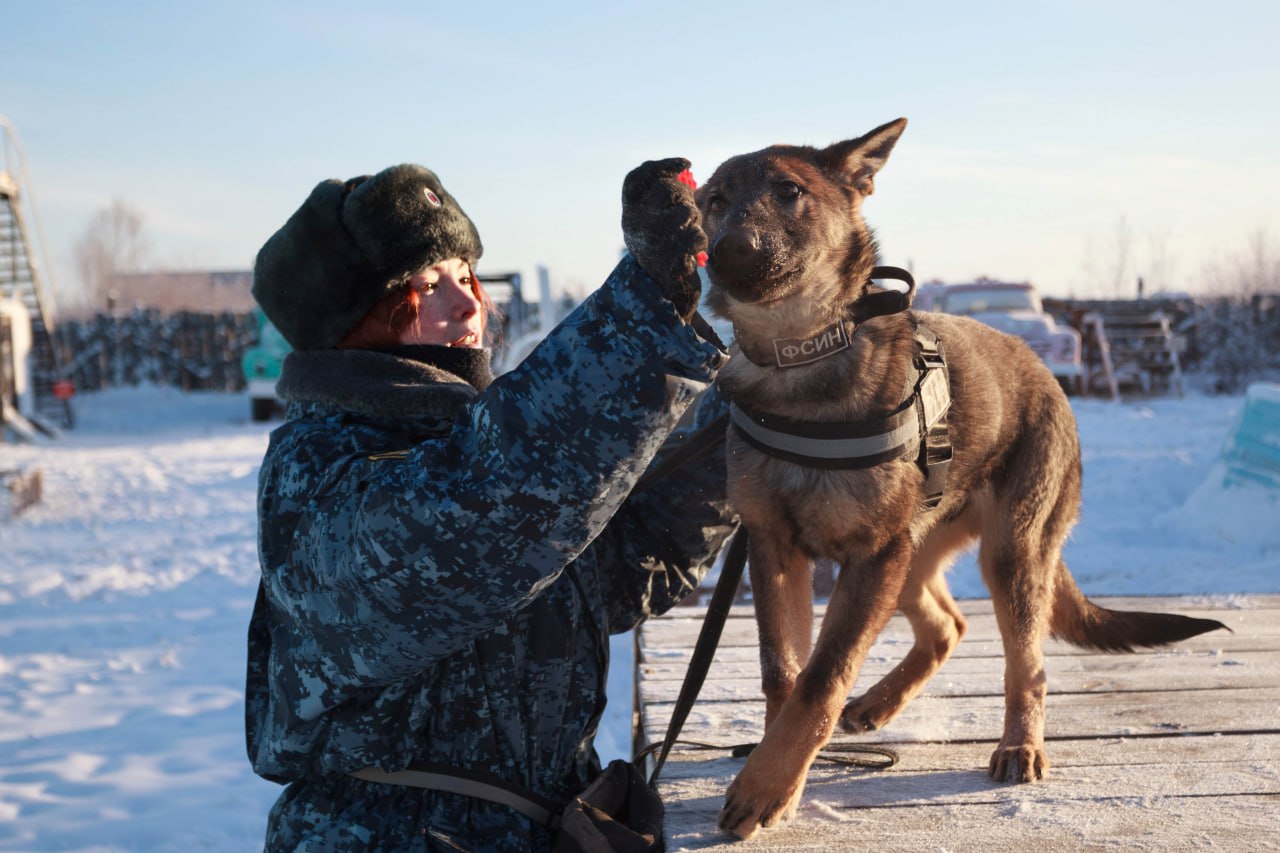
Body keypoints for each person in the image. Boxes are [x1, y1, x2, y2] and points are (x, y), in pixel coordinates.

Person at [244, 159, 737, 850]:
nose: (469, 303)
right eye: (425, 283)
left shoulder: (478, 444)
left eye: (467, 274)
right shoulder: (318, 469)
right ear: (351, 321)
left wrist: (756, 401)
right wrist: (643, 312)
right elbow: (482, 518)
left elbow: (619, 562)